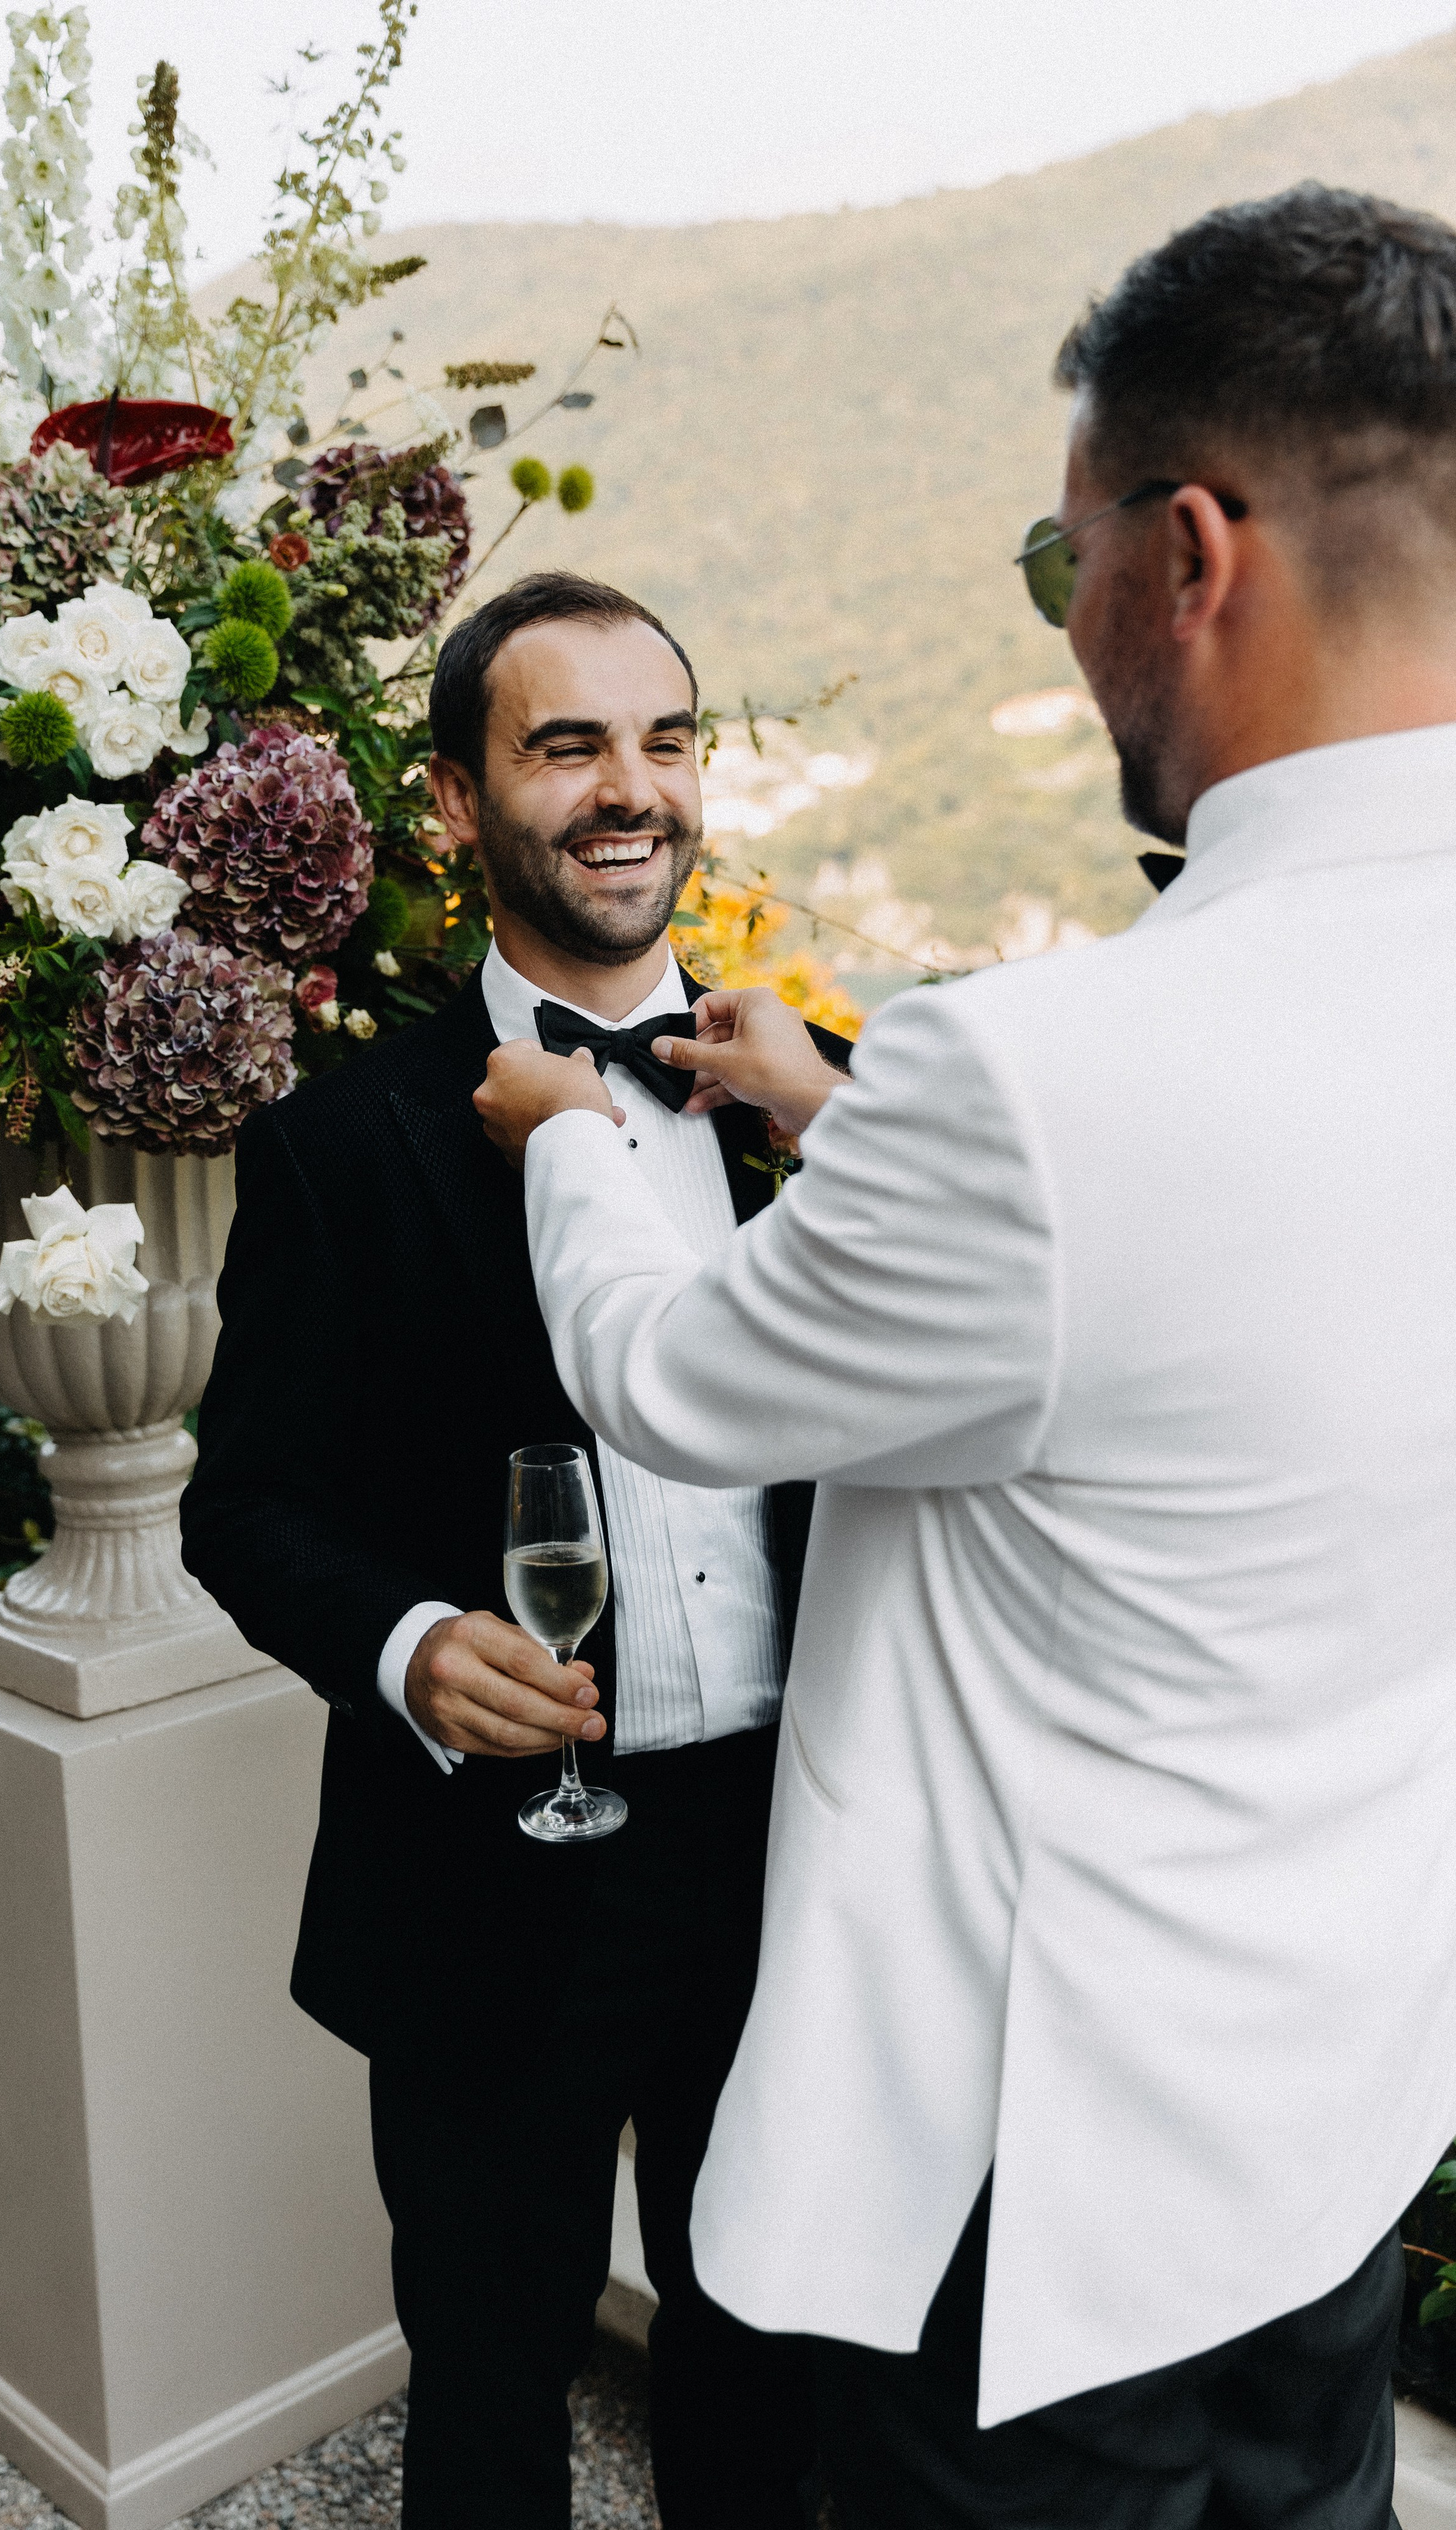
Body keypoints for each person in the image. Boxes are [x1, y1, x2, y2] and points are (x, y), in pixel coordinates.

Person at [472, 183, 1456, 2529]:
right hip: (1343, 2119)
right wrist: (846, 1115)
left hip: (1042, 2196)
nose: (1072, 626)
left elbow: (674, 1380)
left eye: (1058, 561)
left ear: (1186, 554)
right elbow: (1220, 1285)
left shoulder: (1030, 1076)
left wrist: (573, 1144)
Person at [181, 571, 845, 2529]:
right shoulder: (339, 1142)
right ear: (458, 802)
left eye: (665, 740)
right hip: (488, 1877)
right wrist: (404, 1645)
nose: (630, 790)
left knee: (769, 2368)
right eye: (567, 747)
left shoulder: (817, 1095)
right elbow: (244, 1505)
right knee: (488, 2375)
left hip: (793, 1850)